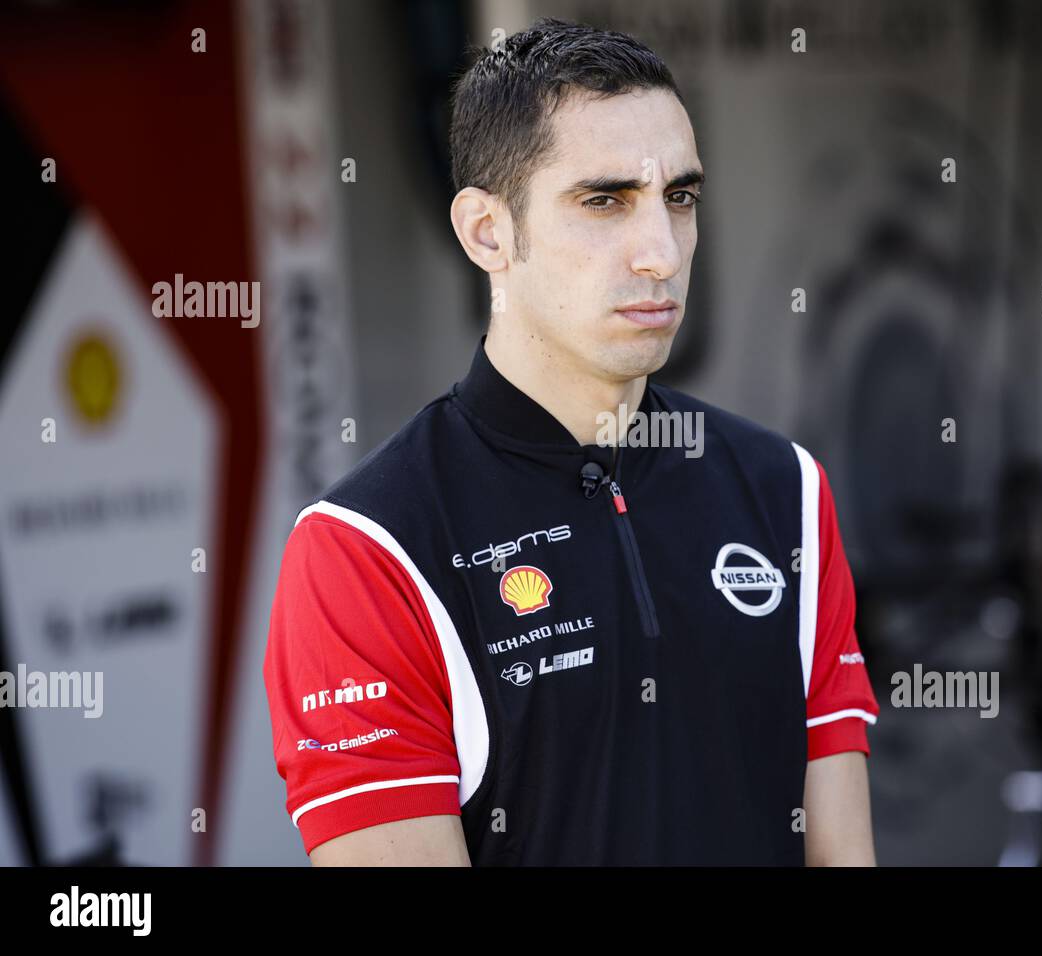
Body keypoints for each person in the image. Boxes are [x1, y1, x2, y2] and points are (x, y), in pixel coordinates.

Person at [263, 17, 880, 866]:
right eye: (604, 201)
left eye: (681, 198)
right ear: (487, 232)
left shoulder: (786, 492)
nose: (662, 252)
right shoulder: (368, 550)